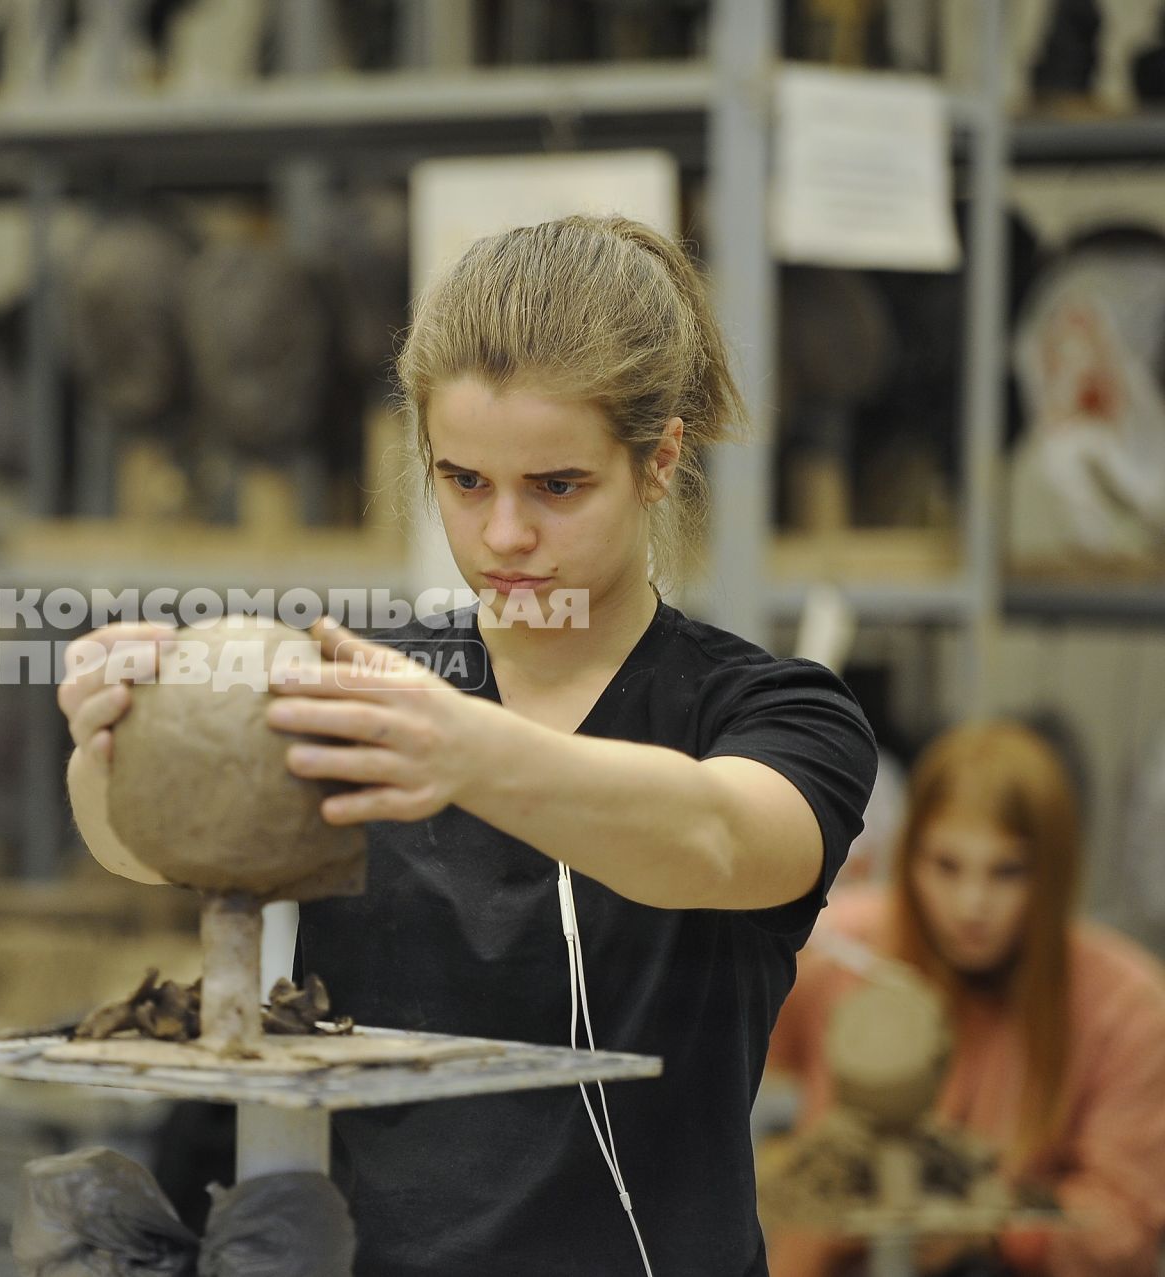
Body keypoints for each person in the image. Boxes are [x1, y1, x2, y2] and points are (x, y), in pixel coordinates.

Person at [56, 214, 878, 1275]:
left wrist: (469, 751)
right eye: (465, 481)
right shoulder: (369, 688)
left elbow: (719, 839)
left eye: (557, 486)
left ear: (659, 458)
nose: (504, 537)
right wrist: (112, 742)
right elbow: (150, 844)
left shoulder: (771, 711)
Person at [768, 721, 1165, 1277]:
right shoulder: (843, 954)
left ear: (1053, 874)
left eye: (1007, 871)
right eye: (946, 867)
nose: (971, 904)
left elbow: (1126, 1224)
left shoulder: (1125, 1008)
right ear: (910, 861)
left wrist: (990, 1228)